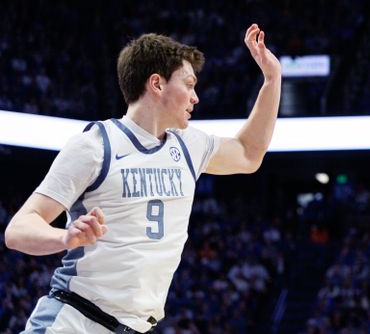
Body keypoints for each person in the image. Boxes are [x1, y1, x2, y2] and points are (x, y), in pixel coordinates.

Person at [4, 24, 281, 333]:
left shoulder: (190, 144)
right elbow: (18, 229)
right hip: (73, 321)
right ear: (157, 84)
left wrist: (271, 80)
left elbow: (248, 153)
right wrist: (63, 238)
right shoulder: (96, 145)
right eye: (188, 85)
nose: (196, 97)